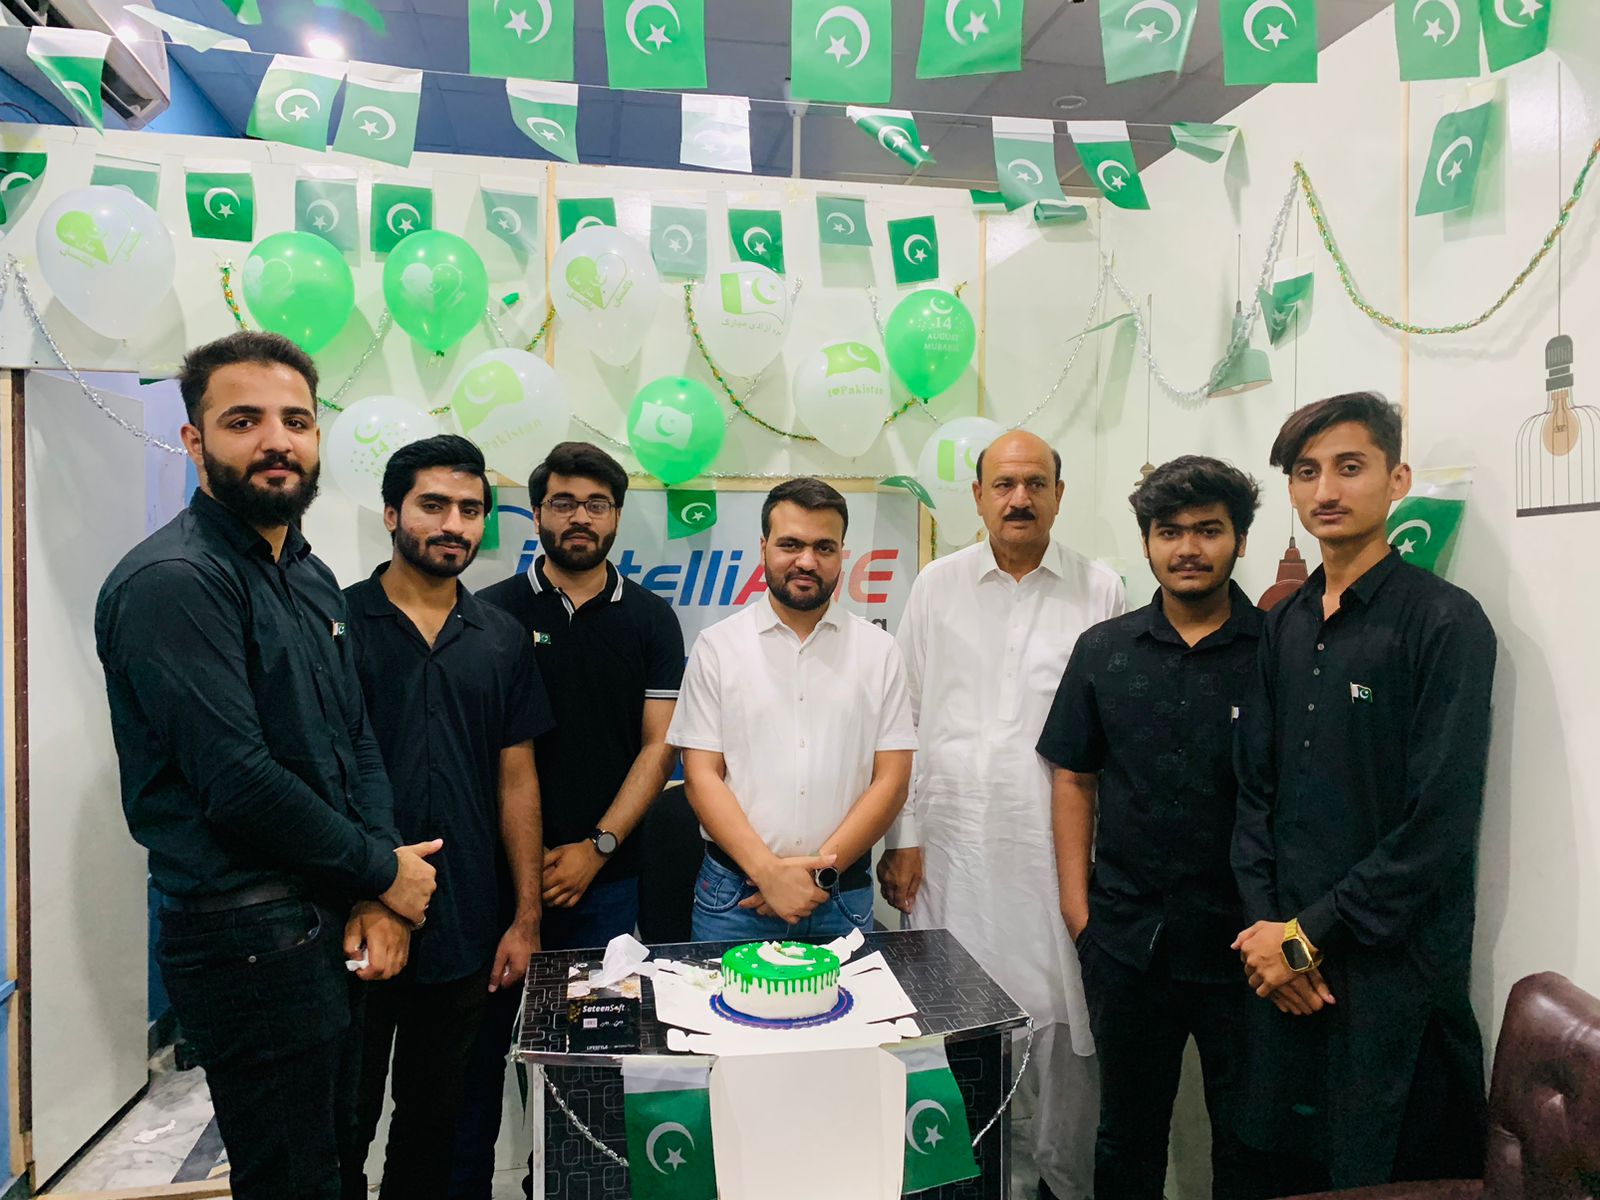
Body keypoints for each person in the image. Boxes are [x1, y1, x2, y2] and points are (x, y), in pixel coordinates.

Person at [94, 331, 441, 1200]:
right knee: (291, 1177)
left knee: (335, 1158)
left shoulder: (311, 576)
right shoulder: (175, 581)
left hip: (327, 915)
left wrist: (374, 886)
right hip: (246, 934)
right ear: (194, 440)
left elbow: (351, 740)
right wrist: (382, 872)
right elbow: (239, 782)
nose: (275, 440)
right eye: (243, 421)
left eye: (296, 420)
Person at [1232, 393, 1497, 1191]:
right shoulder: (1283, 624)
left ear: (1397, 479)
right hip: (1280, 975)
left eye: (1351, 468)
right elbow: (1253, 794)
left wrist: (1308, 938)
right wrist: (1267, 933)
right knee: (1276, 1169)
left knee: (1378, 1175)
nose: (1326, 491)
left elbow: (1438, 826)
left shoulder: (1445, 624)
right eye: (1307, 473)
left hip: (1389, 981)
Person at [879, 430, 1124, 1200]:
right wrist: (904, 835)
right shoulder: (935, 586)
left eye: (1036, 484)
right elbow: (904, 715)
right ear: (979, 496)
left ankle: (1057, 1181)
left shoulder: (1099, 587)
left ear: (1059, 492)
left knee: (1060, 1018)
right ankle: (966, 1179)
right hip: (950, 847)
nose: (1019, 499)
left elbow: (1108, 734)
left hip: (1053, 849)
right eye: (1004, 484)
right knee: (957, 1016)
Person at [452, 441, 684, 1199]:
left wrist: (598, 845)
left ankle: (584, 1187)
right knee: (493, 1068)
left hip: (608, 883)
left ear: (616, 515)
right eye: (562, 502)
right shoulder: (488, 614)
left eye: (596, 503)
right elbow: (478, 756)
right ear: (537, 511)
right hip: (496, 890)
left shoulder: (651, 620)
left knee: (598, 1064)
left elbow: (658, 751)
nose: (579, 517)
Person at [1038, 456, 1265, 1200]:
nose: (1189, 548)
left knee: (1248, 1141)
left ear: (1239, 539)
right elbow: (1073, 777)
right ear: (1146, 543)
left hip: (1249, 949)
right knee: (1126, 1140)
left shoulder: (1282, 652)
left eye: (1209, 530)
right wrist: (1081, 918)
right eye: (1170, 532)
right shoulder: (1103, 650)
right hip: (1130, 944)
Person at [344, 436, 550, 1200]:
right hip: (357, 921)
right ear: (393, 511)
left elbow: (518, 782)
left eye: (470, 510)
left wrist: (524, 919)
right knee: (344, 1121)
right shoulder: (335, 625)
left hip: (465, 927)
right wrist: (365, 891)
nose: (453, 524)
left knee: (436, 1128)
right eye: (434, 505)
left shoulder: (499, 636)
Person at [669, 477, 917, 942]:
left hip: (840, 895)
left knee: (851, 1016)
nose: (806, 561)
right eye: (790, 544)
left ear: (842, 554)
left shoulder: (879, 651)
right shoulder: (718, 647)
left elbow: (892, 779)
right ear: (763, 547)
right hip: (735, 897)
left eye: (824, 547)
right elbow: (701, 776)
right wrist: (769, 874)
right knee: (726, 1016)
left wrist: (815, 877)